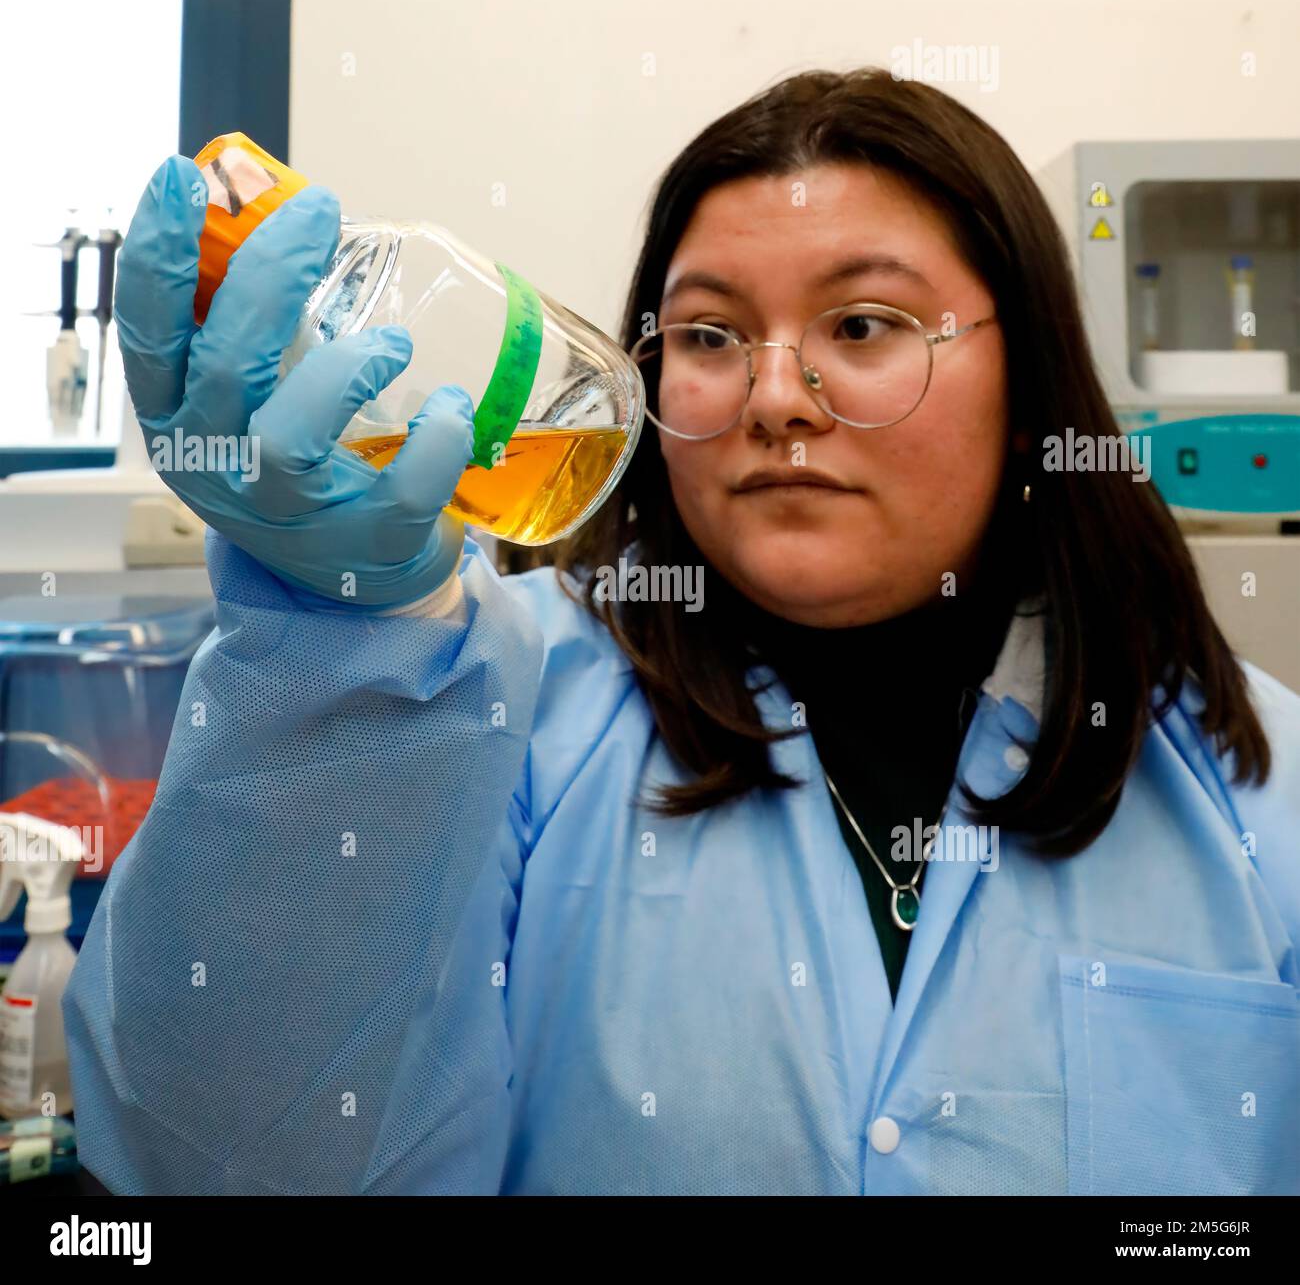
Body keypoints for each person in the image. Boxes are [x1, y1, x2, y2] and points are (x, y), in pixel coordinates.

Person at [64, 68, 1300, 1196]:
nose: (771, 397)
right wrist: (329, 664)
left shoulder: (1256, 782)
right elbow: (216, 1159)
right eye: (709, 336)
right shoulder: (489, 697)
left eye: (862, 326)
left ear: (1028, 376)